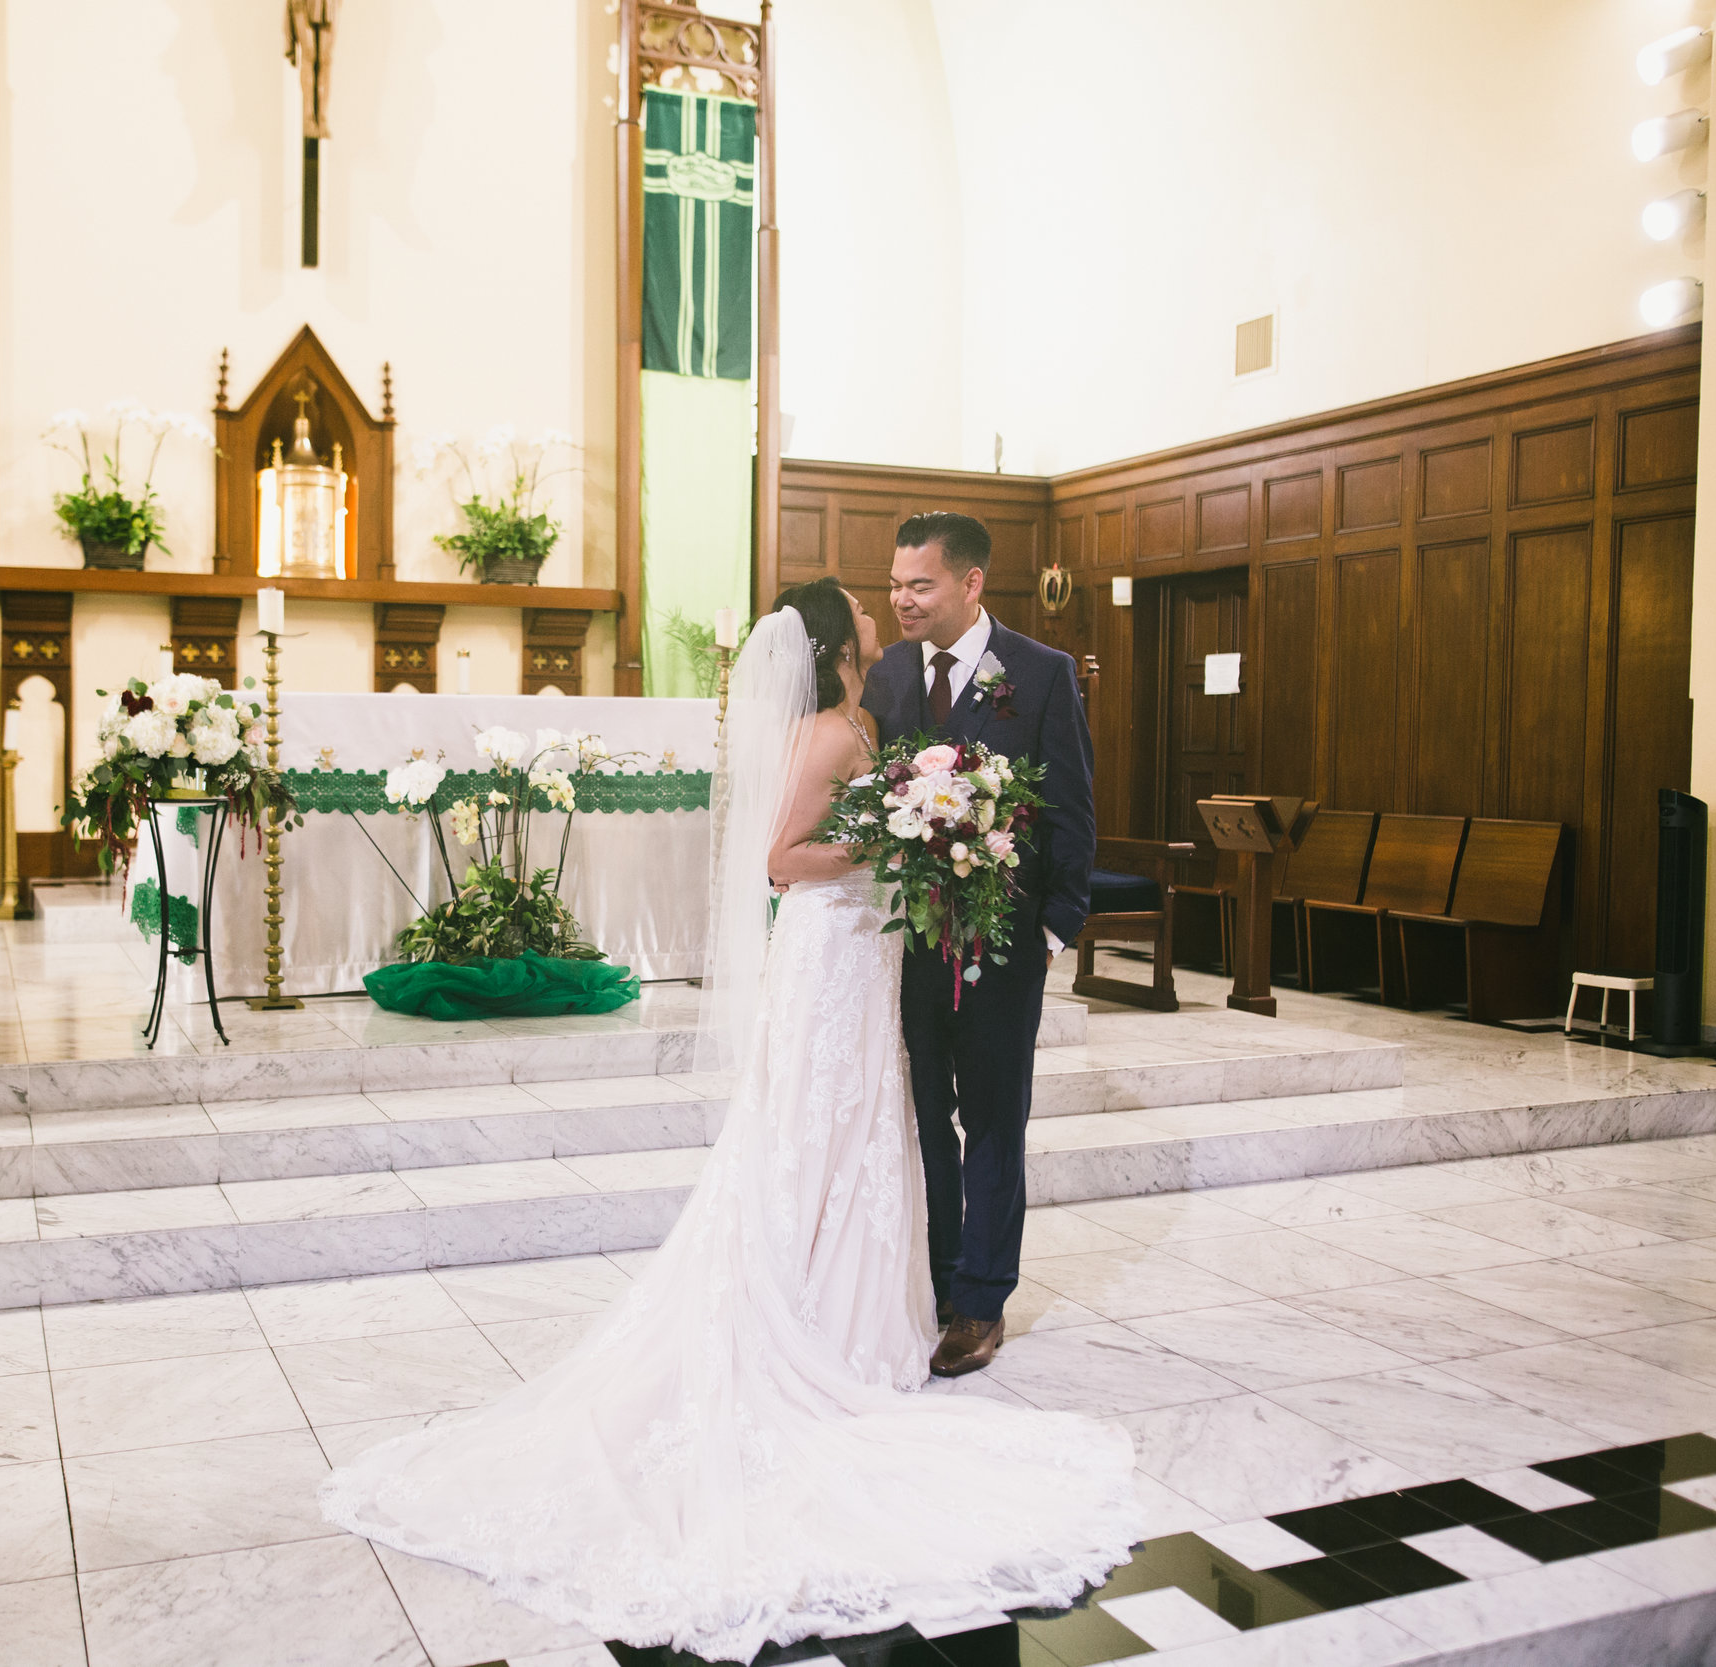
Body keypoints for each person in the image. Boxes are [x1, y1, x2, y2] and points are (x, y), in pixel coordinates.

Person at [320, 578, 1136, 1662]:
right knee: (820, 1126)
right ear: (840, 641)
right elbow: (781, 858)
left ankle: (874, 1300)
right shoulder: (837, 724)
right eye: (867, 601)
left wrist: (924, 835)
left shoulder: (873, 708)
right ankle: (820, 1312)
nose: (883, 607)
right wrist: (908, 839)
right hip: (836, 945)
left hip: (860, 953)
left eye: (905, 584)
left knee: (857, 1127)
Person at [863, 512, 1095, 1380]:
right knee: (925, 1113)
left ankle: (982, 1300)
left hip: (1003, 943)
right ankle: (938, 1274)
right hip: (912, 941)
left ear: (969, 585)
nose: (901, 600)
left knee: (994, 1116)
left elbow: (1071, 804)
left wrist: (1052, 923)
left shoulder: (1038, 674)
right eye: (895, 583)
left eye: (919, 585)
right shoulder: (886, 675)